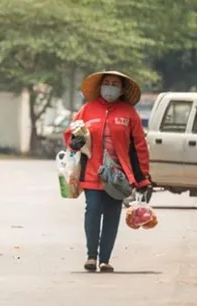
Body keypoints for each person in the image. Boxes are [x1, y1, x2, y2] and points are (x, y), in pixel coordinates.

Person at [63, 70, 150, 273]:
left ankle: (105, 259)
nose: (110, 87)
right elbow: (71, 135)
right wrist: (73, 141)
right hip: (92, 172)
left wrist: (143, 177)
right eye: (107, 83)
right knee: (92, 210)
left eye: (114, 84)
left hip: (119, 176)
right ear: (100, 87)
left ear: (121, 90)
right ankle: (91, 255)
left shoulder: (129, 113)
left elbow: (140, 145)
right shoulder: (87, 109)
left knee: (112, 215)